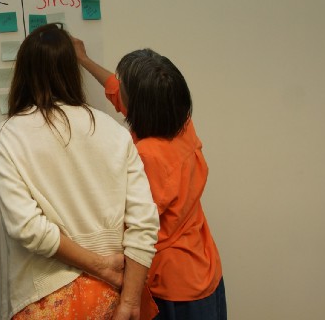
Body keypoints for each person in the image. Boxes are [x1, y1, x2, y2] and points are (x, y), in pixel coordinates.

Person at [0, 23, 160, 320]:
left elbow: (27, 228)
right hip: (113, 298)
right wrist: (131, 301)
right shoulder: (114, 132)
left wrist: (97, 265)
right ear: (72, 69)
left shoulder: (7, 135)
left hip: (45, 299)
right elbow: (145, 223)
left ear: (23, 73)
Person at [73, 39, 227, 320]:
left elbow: (137, 226)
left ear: (142, 105)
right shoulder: (181, 123)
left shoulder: (146, 155)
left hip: (174, 286)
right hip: (204, 267)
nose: (120, 92)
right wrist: (83, 59)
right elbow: (120, 93)